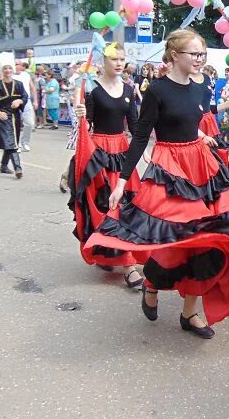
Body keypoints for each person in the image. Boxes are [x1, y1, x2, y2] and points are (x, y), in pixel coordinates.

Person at [83, 29, 229, 339]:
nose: (200, 59)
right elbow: (142, 135)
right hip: (170, 169)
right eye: (194, 54)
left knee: (209, 240)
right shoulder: (157, 90)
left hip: (203, 168)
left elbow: (194, 119)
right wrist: (122, 180)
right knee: (174, 239)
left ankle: (190, 312)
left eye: (202, 55)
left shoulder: (202, 87)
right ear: (174, 56)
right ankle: (153, 284)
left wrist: (206, 131)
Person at [69, 42, 145, 287]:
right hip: (100, 151)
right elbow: (88, 125)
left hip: (122, 152)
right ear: (103, 61)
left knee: (126, 207)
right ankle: (119, 259)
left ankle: (128, 262)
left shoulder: (129, 89)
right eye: (115, 59)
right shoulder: (92, 90)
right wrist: (81, 116)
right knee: (105, 206)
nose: (120, 63)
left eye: (123, 59)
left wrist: (143, 151)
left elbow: (134, 125)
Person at [0, 53, 28, 179]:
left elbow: (25, 96)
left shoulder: (19, 84)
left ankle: (3, 165)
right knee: (11, 142)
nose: (8, 71)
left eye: (10, 68)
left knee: (11, 141)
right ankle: (18, 168)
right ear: (1, 70)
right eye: (5, 68)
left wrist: (20, 101)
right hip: (3, 116)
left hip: (16, 116)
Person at [13, 61, 37, 152]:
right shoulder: (10, 76)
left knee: (30, 123)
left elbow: (32, 88)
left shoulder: (26, 75)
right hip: (14, 102)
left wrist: (35, 100)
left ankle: (25, 142)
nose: (16, 66)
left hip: (26, 101)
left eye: (18, 64)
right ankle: (17, 144)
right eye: (14, 64)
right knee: (16, 124)